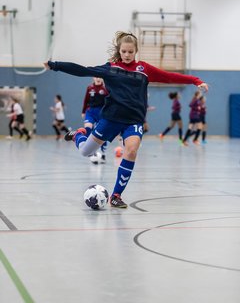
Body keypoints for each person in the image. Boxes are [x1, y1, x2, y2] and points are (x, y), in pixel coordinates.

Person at [44, 31, 208, 208]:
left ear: (135, 51)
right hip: (111, 118)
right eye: (124, 51)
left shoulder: (144, 70)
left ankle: (115, 195)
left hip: (134, 120)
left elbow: (169, 76)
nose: (127, 55)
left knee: (131, 151)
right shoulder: (111, 68)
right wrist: (55, 65)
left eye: (131, 52)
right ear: (119, 51)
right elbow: (83, 70)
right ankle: (78, 135)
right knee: (86, 151)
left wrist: (195, 80)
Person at [82, 77, 109, 163]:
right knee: (88, 128)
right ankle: (91, 151)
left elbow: (109, 102)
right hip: (90, 111)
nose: (98, 79)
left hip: (101, 113)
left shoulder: (105, 89)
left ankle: (103, 153)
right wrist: (83, 111)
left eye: (100, 77)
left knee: (101, 133)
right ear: (93, 78)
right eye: (96, 77)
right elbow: (86, 100)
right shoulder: (90, 88)